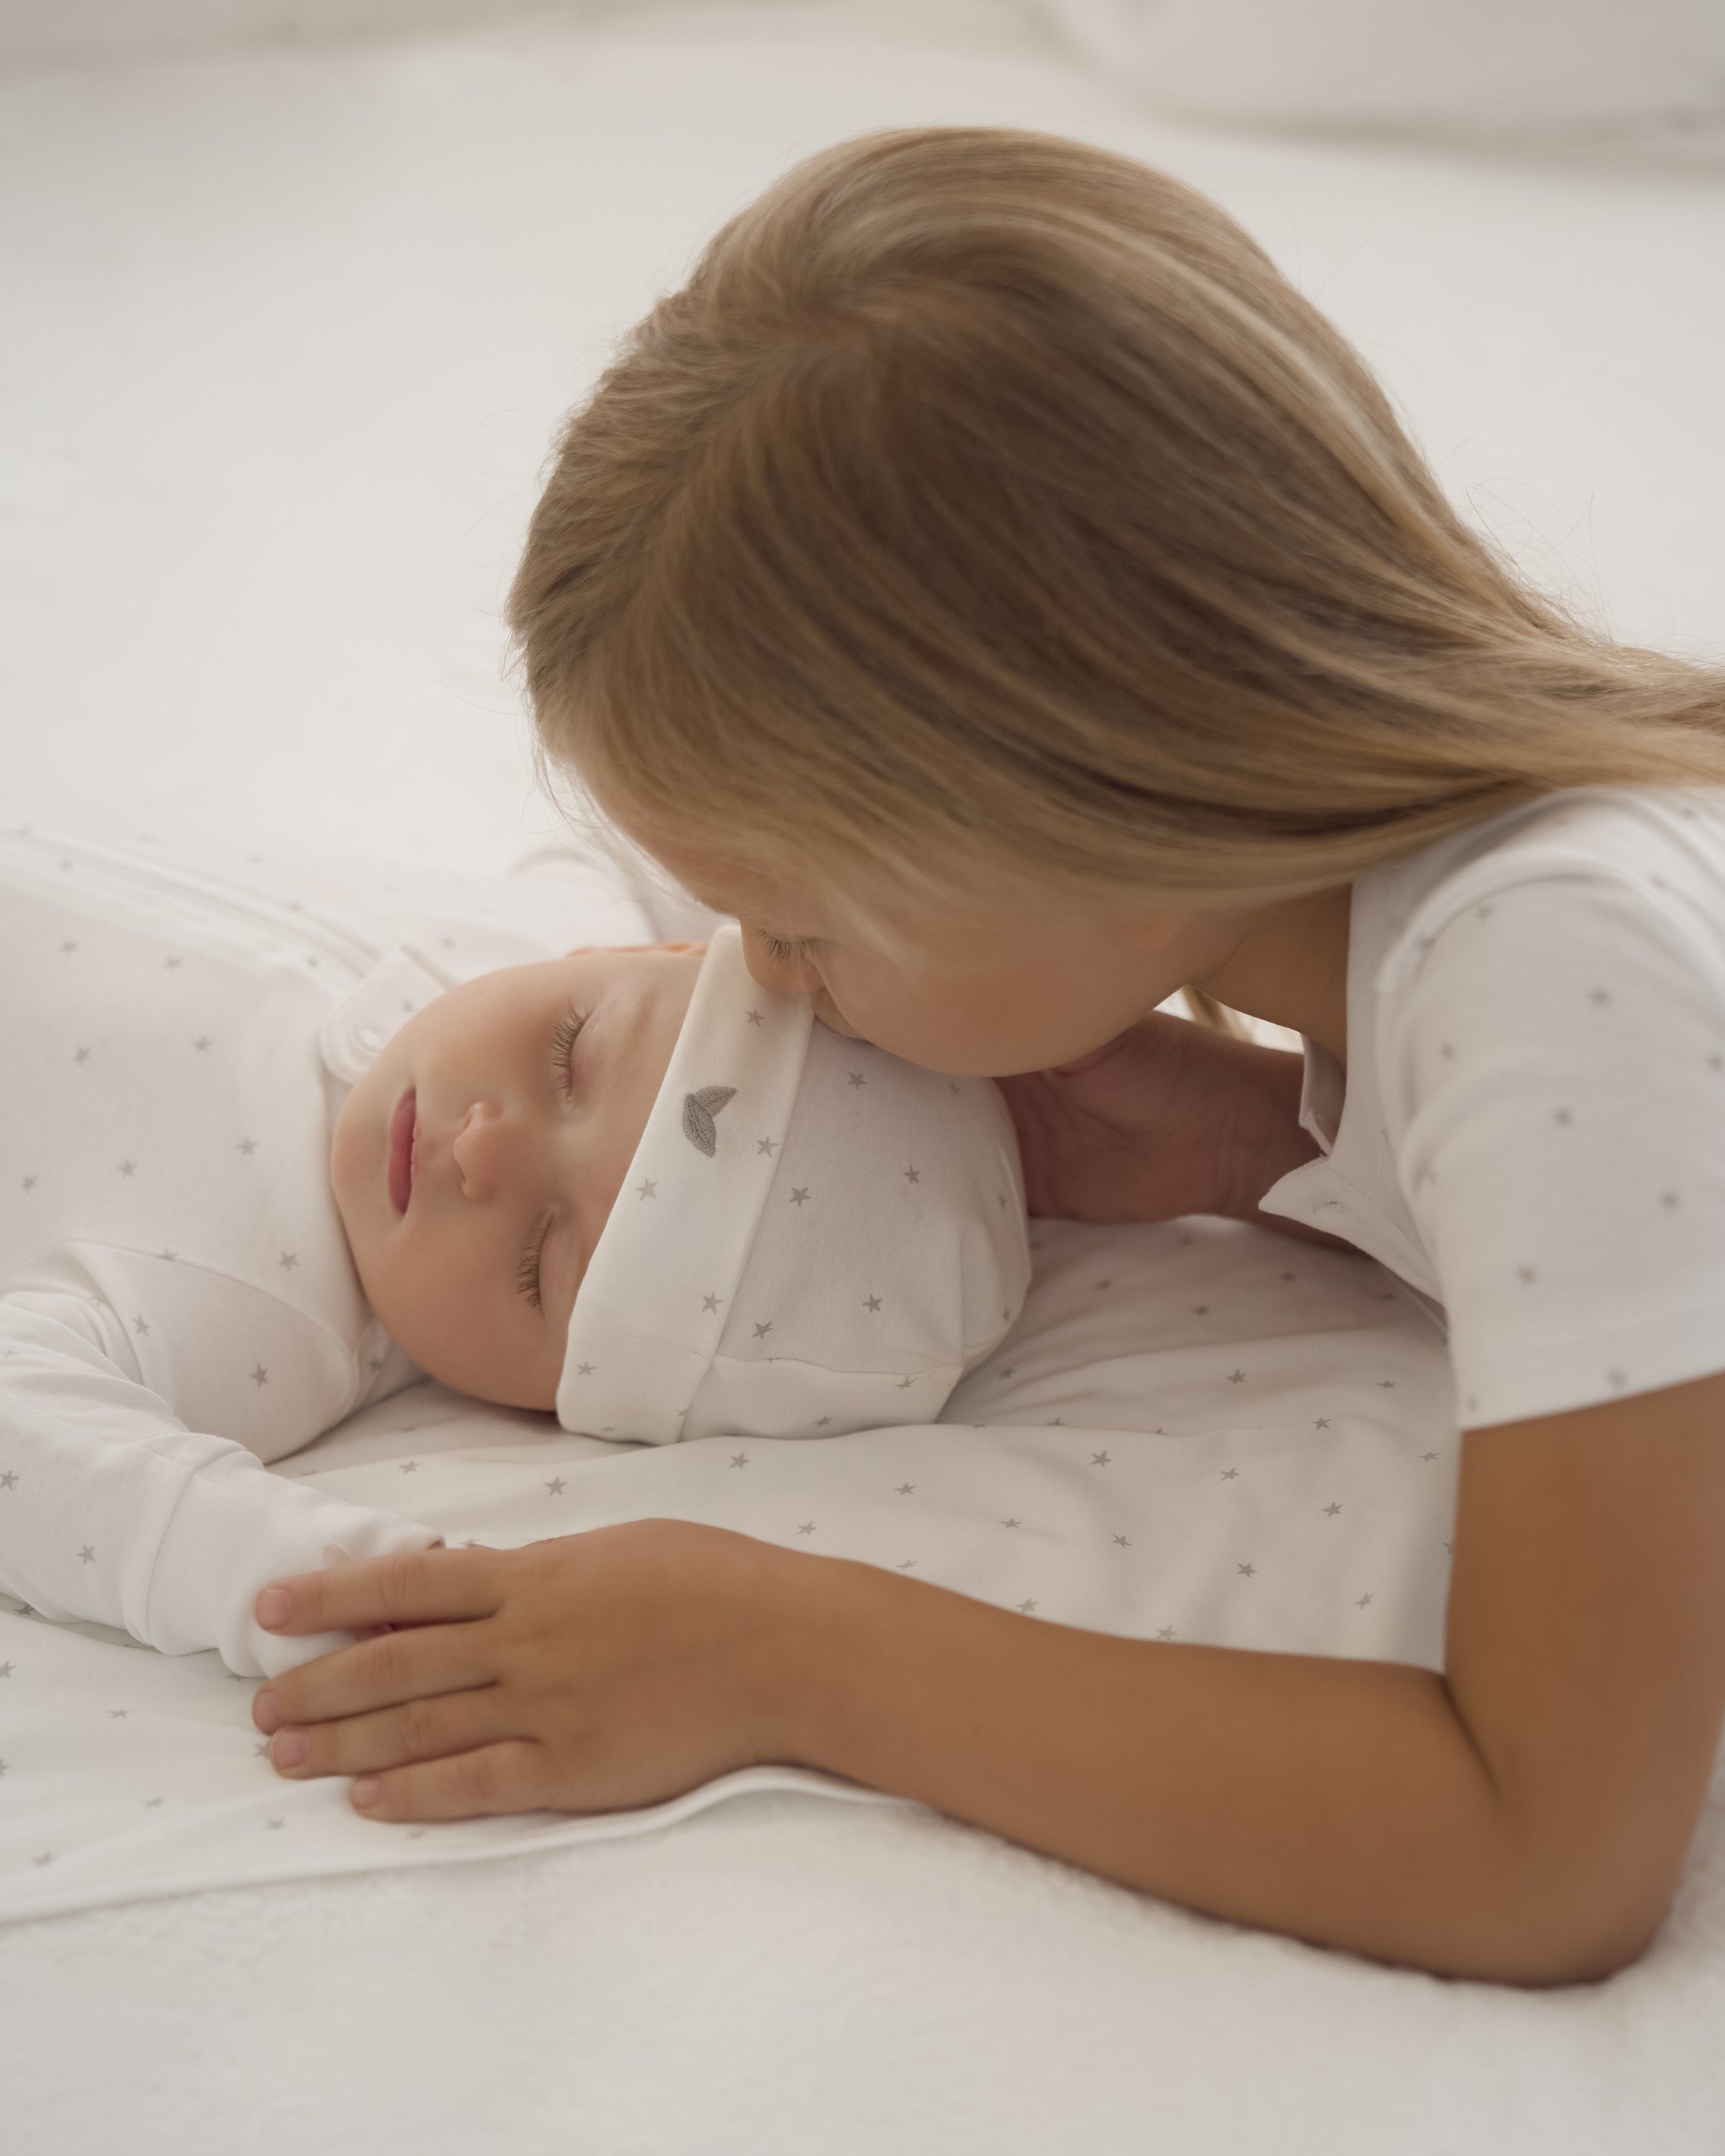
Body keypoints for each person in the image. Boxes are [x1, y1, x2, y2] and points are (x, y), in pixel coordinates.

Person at [249, 127, 1725, 1988]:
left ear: (1106, 845)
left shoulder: (1562, 966)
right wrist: (1255, 1145)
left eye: (802, 927)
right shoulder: (1519, 901)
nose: (780, 986)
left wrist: (780, 1649)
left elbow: (1548, 1854)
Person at [0, 825, 1025, 1677]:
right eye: (567, 1057)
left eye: (539, 1262)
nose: (481, 1148)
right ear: (638, 956)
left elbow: (35, 1449)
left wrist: (305, 1576)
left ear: (543, 1403)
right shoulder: (565, 932)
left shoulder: (258, 1320)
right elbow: (674, 823)